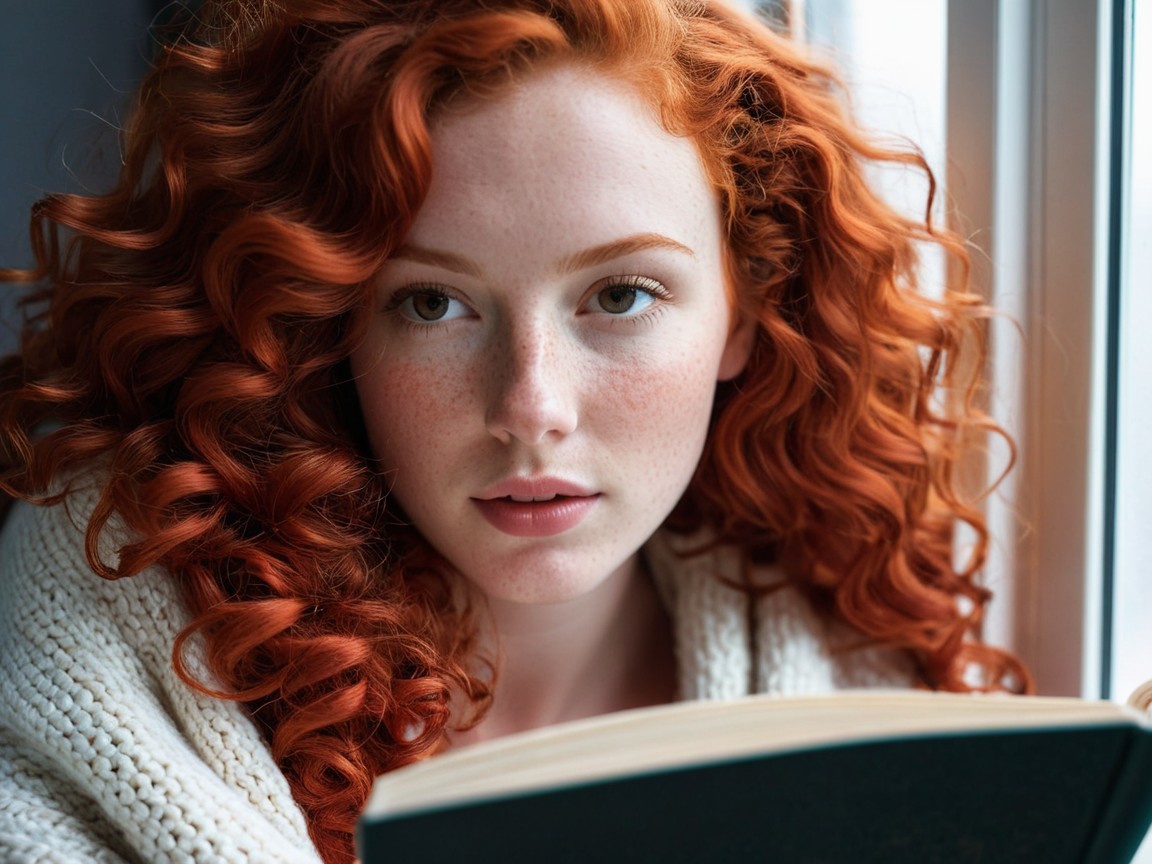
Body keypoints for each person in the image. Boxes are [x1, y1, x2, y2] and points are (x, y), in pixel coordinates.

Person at [0, 0, 1030, 861]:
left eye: (621, 295)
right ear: (333, 324)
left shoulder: (865, 704)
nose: (531, 405)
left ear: (749, 309)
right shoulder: (108, 619)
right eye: (435, 305)